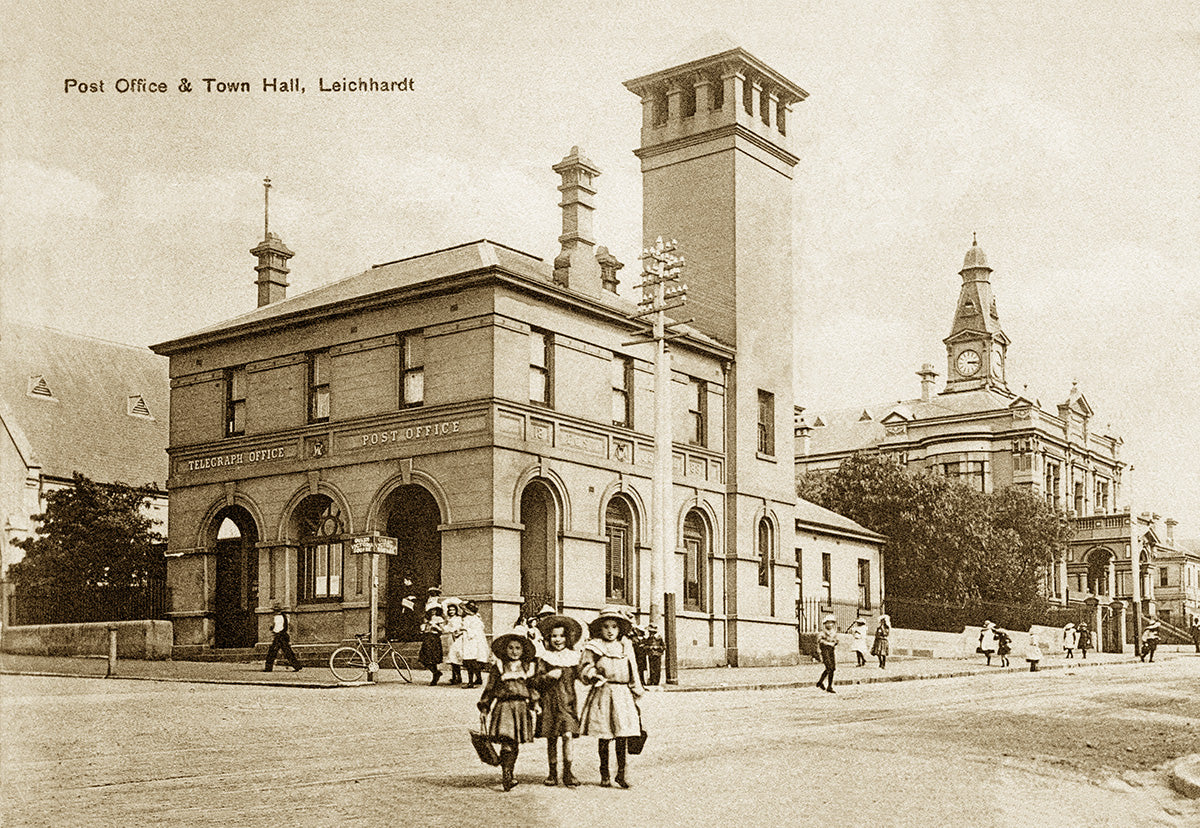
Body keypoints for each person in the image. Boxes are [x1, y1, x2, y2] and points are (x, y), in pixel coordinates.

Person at [580, 606, 645, 788]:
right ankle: (605, 774)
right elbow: (585, 666)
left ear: (620, 629)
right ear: (599, 629)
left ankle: (621, 774)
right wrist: (592, 674)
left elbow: (633, 670)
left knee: (622, 736)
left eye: (614, 627)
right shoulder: (595, 646)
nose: (610, 631)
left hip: (623, 694)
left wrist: (636, 692)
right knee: (605, 735)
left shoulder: (625, 646)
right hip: (604, 692)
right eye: (606, 626)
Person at [478, 632, 539, 791]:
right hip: (503, 707)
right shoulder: (498, 667)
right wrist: (485, 708)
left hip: (520, 707)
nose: (514, 651)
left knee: (515, 742)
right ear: (505, 650)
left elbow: (531, 687)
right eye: (510, 648)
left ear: (523, 650)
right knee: (507, 740)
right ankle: (506, 774)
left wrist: (535, 703)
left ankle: (509, 772)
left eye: (518, 648)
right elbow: (490, 688)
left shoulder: (527, 667)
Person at [532, 613, 583, 787]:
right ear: (548, 637)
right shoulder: (545, 658)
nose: (558, 639)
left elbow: (583, 676)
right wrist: (548, 677)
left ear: (568, 638)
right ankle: (552, 773)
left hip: (568, 703)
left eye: (561, 636)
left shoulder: (574, 657)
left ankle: (568, 772)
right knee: (552, 738)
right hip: (549, 702)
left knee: (568, 735)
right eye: (554, 636)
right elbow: (535, 682)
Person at [263, 604, 302, 672]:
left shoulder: (276, 618)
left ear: (276, 611)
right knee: (288, 652)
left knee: (272, 652)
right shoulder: (286, 617)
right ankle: (297, 666)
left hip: (279, 636)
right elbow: (290, 626)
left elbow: (276, 628)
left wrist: (272, 629)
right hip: (284, 635)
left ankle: (268, 668)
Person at [461, 601, 489, 688]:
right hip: (478, 640)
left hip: (471, 641)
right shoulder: (477, 618)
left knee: (470, 661)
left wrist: (464, 629)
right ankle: (479, 678)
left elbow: (472, 632)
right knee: (475, 660)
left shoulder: (468, 619)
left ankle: (470, 682)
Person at [419, 605, 445, 685]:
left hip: (434, 639)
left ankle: (435, 676)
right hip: (426, 638)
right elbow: (424, 629)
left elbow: (442, 630)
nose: (433, 611)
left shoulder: (439, 619)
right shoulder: (426, 619)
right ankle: (436, 672)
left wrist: (436, 626)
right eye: (431, 610)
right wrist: (423, 629)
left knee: (432, 658)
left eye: (435, 610)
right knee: (423, 658)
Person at [443, 599, 465, 685]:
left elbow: (460, 627)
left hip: (458, 638)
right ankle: (454, 677)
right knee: (452, 658)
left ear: (456, 610)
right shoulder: (449, 619)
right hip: (451, 638)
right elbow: (446, 628)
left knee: (456, 657)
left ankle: (458, 677)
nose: (451, 611)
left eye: (453, 610)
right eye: (450, 610)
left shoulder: (459, 618)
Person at [815, 615, 838, 693]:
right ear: (825, 624)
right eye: (828, 623)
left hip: (831, 650)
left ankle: (827, 685)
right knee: (829, 667)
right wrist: (828, 643)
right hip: (825, 651)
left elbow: (836, 640)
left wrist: (835, 642)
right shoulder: (822, 632)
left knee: (832, 668)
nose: (830, 624)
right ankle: (822, 683)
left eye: (832, 623)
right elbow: (819, 641)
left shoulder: (834, 632)